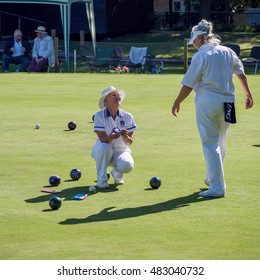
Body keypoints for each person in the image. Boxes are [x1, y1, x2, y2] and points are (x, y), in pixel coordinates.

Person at [171, 19, 253, 198]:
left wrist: (177, 101)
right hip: (229, 103)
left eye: (194, 40)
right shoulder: (228, 52)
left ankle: (217, 187)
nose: (193, 44)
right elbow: (241, 74)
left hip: (208, 102)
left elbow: (188, 84)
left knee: (210, 144)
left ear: (200, 39)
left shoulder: (201, 55)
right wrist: (248, 95)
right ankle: (212, 178)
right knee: (221, 143)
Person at [91, 86, 137, 189]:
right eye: (114, 95)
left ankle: (116, 173)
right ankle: (101, 180)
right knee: (104, 146)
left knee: (127, 165)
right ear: (106, 101)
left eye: (118, 95)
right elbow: (102, 139)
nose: (118, 97)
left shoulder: (128, 116)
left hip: (120, 151)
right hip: (102, 151)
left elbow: (129, 143)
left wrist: (126, 137)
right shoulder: (99, 116)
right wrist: (111, 137)